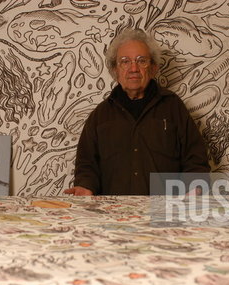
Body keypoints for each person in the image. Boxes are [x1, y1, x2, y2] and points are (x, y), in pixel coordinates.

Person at [64, 28, 210, 196]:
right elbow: (86, 165)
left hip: (164, 213)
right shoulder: (100, 116)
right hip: (113, 215)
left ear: (153, 68)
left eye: (141, 61)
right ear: (115, 70)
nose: (133, 68)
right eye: (125, 61)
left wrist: (194, 188)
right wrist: (85, 186)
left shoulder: (173, 107)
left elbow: (196, 158)